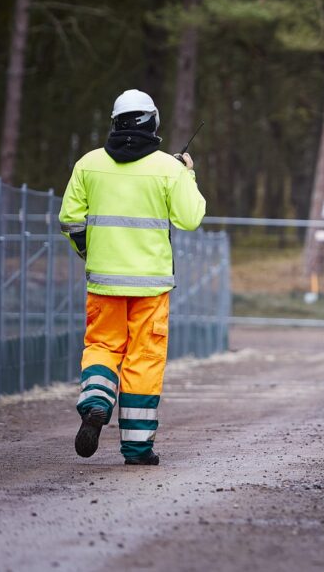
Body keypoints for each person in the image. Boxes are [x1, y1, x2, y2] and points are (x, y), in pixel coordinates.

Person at [59, 90, 206, 465]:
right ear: (152, 122)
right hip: (151, 287)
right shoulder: (168, 169)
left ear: (115, 122)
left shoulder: (88, 164)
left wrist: (88, 251)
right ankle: (138, 449)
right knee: (144, 359)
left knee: (103, 347)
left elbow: (70, 218)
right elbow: (190, 218)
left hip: (104, 282)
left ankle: (95, 401)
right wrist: (187, 174)